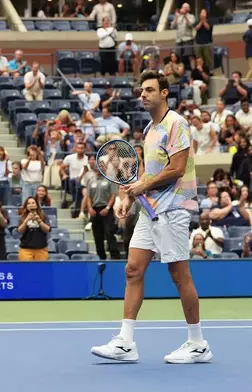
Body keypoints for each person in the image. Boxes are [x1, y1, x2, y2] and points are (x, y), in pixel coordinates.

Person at [91, 70, 211, 364]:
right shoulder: (150, 130)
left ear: (164, 92)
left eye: (148, 90)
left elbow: (177, 168)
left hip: (175, 208)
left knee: (179, 275)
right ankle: (125, 342)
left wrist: (142, 185)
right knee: (133, 269)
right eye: (141, 90)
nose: (142, 94)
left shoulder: (176, 124)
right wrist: (128, 198)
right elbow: (147, 173)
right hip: (150, 210)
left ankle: (198, 344)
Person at [16, 196, 51, 261]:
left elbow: (47, 229)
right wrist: (27, 220)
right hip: (26, 249)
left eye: (33, 203)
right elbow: (20, 230)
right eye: (29, 203)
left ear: (37, 205)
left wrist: (39, 220)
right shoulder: (22, 218)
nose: (31, 205)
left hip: (41, 249)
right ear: (26, 206)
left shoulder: (43, 216)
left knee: (41, 270)